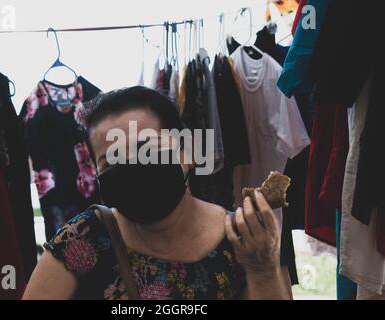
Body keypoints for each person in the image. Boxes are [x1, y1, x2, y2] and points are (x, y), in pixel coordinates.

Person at [23, 86, 291, 300]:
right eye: (112, 161)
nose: (133, 167)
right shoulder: (82, 239)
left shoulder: (247, 240)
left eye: (147, 150)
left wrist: (262, 271)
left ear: (187, 153)